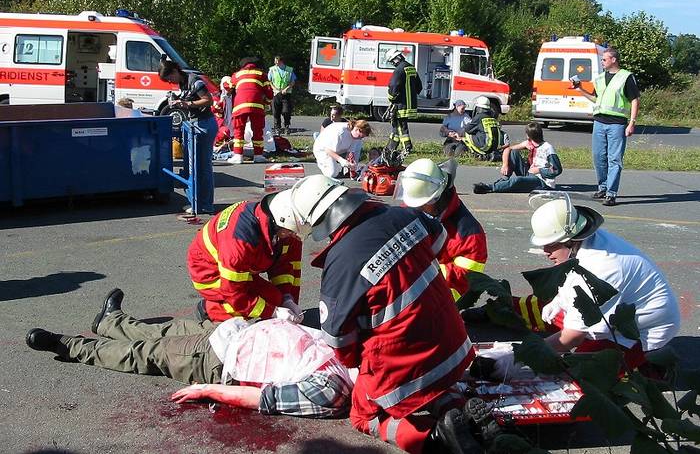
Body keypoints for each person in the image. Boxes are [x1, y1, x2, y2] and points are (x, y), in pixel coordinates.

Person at [284, 175, 500, 454]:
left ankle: (434, 438)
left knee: (363, 415)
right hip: (454, 346)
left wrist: (359, 365)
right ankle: (454, 410)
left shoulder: (340, 261)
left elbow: (338, 339)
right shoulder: (404, 214)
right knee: (434, 388)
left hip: (405, 361)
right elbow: (439, 242)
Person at [26, 289, 353, 419]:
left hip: (219, 360)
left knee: (142, 354)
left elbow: (266, 399)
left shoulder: (333, 391)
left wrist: (207, 390)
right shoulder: (359, 359)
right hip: (236, 335)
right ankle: (111, 321)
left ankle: (67, 346)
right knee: (165, 332)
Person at [487, 194, 680, 373]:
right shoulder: (586, 244)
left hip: (639, 330)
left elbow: (573, 337)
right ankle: (498, 311)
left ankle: (649, 362)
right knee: (545, 305)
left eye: (552, 244)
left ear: (572, 240)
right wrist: (558, 301)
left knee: (581, 376)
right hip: (617, 309)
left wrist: (520, 357)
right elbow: (570, 283)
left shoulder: (602, 268)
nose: (545, 251)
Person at [187, 190, 304, 323]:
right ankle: (211, 309)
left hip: (237, 267)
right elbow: (234, 292)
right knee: (241, 306)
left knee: (275, 298)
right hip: (209, 271)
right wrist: (272, 312)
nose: (294, 236)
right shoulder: (240, 242)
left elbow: (283, 268)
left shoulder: (283, 226)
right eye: (292, 232)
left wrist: (287, 299)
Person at [394, 159, 488, 302]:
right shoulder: (415, 208)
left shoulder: (470, 236)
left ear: (439, 197)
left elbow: (463, 282)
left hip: (436, 305)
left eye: (423, 204)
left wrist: (412, 271)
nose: (415, 209)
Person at [573, 47, 640, 206]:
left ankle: (611, 193)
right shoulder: (600, 78)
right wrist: (579, 88)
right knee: (598, 157)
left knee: (614, 159)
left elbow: (635, 100)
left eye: (604, 59)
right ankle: (602, 187)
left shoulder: (626, 77)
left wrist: (632, 122)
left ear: (613, 60)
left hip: (617, 124)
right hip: (599, 122)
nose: (602, 62)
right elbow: (595, 99)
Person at [158, 59, 217, 214]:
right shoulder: (184, 83)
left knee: (203, 168)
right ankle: (198, 203)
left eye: (170, 78)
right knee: (195, 167)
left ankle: (205, 205)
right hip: (195, 124)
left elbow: (208, 100)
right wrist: (178, 101)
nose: (171, 82)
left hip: (204, 125)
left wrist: (187, 104)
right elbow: (190, 99)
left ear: (176, 71)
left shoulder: (194, 81)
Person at [472, 122, 562, 194]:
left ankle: (490, 187)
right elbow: (508, 149)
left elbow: (556, 170)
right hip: (529, 173)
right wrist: (505, 165)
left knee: (517, 180)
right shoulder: (529, 143)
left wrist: (539, 170)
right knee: (513, 152)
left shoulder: (547, 148)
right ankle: (504, 180)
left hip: (542, 181)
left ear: (529, 136)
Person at [229, 57, 273, 164]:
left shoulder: (237, 74)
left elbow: (229, 86)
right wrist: (266, 103)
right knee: (258, 131)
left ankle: (238, 155)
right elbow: (270, 93)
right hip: (257, 106)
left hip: (240, 106)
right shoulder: (262, 75)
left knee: (239, 131)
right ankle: (258, 156)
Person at [385, 48, 422, 154]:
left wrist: (391, 98)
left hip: (401, 104)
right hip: (411, 104)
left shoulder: (399, 69)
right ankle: (391, 146)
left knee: (401, 126)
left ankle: (407, 147)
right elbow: (419, 87)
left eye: (392, 61)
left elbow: (394, 85)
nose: (393, 64)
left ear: (396, 58)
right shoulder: (411, 68)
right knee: (397, 125)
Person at [462, 96, 506, 161]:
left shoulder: (479, 117)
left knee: (467, 135)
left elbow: (468, 129)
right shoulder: (492, 116)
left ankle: (478, 153)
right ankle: (492, 154)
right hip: (494, 146)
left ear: (478, 108)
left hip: (485, 146)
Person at [268, 55, 297, 135]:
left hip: (286, 93)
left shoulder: (289, 70)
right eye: (275, 62)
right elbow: (269, 81)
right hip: (276, 93)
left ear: (281, 61)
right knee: (275, 112)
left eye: (277, 62)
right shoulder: (272, 69)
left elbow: (293, 81)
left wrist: (286, 89)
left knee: (286, 111)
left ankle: (287, 127)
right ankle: (277, 128)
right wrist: (274, 88)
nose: (275, 63)